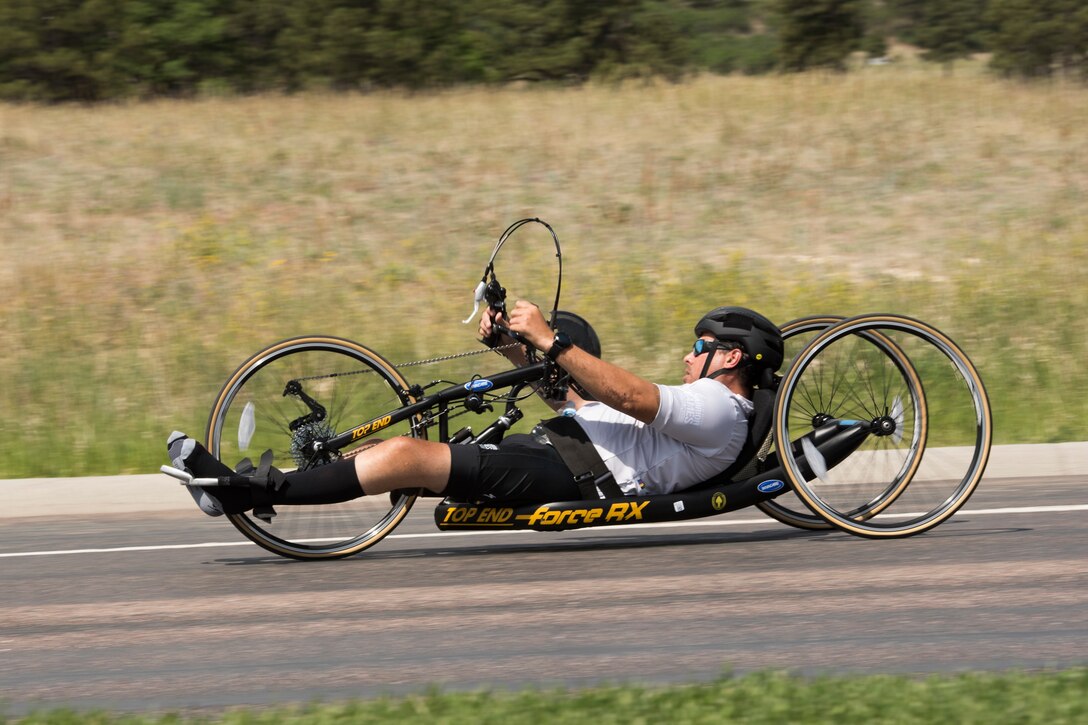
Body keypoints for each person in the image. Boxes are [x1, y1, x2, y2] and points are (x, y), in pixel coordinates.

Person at [167, 303, 783, 517]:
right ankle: (248, 484)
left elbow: (627, 396)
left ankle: (246, 493)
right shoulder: (705, 407)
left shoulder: (716, 410)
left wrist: (552, 340)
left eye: (700, 347)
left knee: (409, 455)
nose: (687, 354)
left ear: (732, 359)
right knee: (397, 449)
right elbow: (578, 401)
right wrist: (512, 345)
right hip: (568, 446)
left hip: (579, 474)